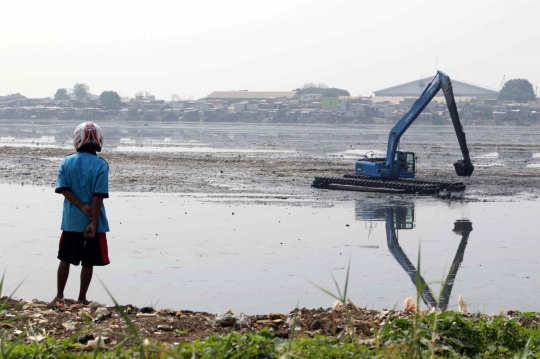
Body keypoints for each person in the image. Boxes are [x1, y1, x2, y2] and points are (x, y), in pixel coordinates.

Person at [50, 122, 110, 306]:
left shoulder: (66, 162)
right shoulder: (101, 165)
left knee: (65, 259)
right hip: (93, 222)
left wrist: (80, 206)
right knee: (88, 262)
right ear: (98, 140)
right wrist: (92, 220)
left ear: (77, 140)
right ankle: (82, 298)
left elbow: (63, 189)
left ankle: (59, 296)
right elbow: (98, 195)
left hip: (71, 222)